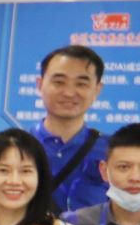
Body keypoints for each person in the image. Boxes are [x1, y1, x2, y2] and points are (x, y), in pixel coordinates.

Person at [32, 45, 112, 214]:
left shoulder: (113, 151)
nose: (69, 92)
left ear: (97, 90)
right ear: (40, 85)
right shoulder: (17, 146)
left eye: (81, 84)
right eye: (59, 82)